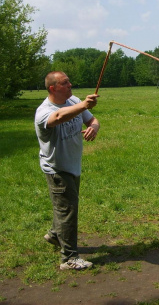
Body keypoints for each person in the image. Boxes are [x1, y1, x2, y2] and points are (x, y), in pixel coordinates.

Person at [34, 71, 100, 270]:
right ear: (53, 88)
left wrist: (94, 127)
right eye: (65, 83)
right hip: (57, 168)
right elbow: (58, 117)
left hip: (72, 165)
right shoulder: (44, 111)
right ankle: (69, 258)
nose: (70, 85)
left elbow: (92, 120)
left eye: (69, 81)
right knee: (68, 210)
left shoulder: (73, 100)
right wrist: (82, 106)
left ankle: (55, 234)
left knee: (65, 207)